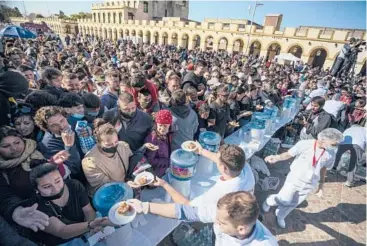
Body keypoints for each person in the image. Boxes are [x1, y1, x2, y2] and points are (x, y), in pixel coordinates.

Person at [147, 144, 254, 222]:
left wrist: (164, 184)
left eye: (217, 157)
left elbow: (187, 207)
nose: (215, 156)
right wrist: (201, 151)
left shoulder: (223, 195)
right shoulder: (242, 166)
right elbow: (220, 160)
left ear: (224, 168)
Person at [129, 191, 277, 246]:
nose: (215, 223)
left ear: (241, 228)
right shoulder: (224, 214)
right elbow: (185, 211)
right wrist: (146, 207)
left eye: (221, 223)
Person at [263, 128, 343, 228]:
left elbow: (324, 169)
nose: (335, 147)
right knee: (284, 199)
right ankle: (269, 201)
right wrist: (276, 158)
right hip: (295, 179)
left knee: (293, 203)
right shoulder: (305, 144)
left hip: (310, 184)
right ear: (323, 139)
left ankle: (280, 215)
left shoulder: (331, 154)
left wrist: (321, 186)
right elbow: (289, 154)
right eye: (334, 144)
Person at [29, 162, 111, 245]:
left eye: (57, 181)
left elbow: (88, 210)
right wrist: (91, 225)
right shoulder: (36, 207)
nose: (56, 189)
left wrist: (92, 227)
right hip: (64, 242)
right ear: (36, 189)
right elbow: (62, 231)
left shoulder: (74, 185)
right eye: (47, 187)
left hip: (87, 229)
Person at [82, 119, 133, 196]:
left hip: (127, 185)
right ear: (98, 143)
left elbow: (133, 163)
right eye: (109, 145)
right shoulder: (90, 162)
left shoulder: (123, 146)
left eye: (116, 142)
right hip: (107, 195)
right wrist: (126, 186)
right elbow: (105, 186)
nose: (114, 146)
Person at [35, 106, 83, 180]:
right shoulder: (48, 145)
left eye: (61, 121)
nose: (61, 126)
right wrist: (69, 146)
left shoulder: (74, 123)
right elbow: (74, 170)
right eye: (54, 125)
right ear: (47, 129)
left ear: (65, 117)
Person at [143, 110, 172, 177]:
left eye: (165, 126)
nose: (162, 129)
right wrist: (167, 162)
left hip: (166, 169)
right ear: (156, 124)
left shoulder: (168, 134)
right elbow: (150, 161)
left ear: (169, 125)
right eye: (160, 125)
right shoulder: (152, 140)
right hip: (157, 173)